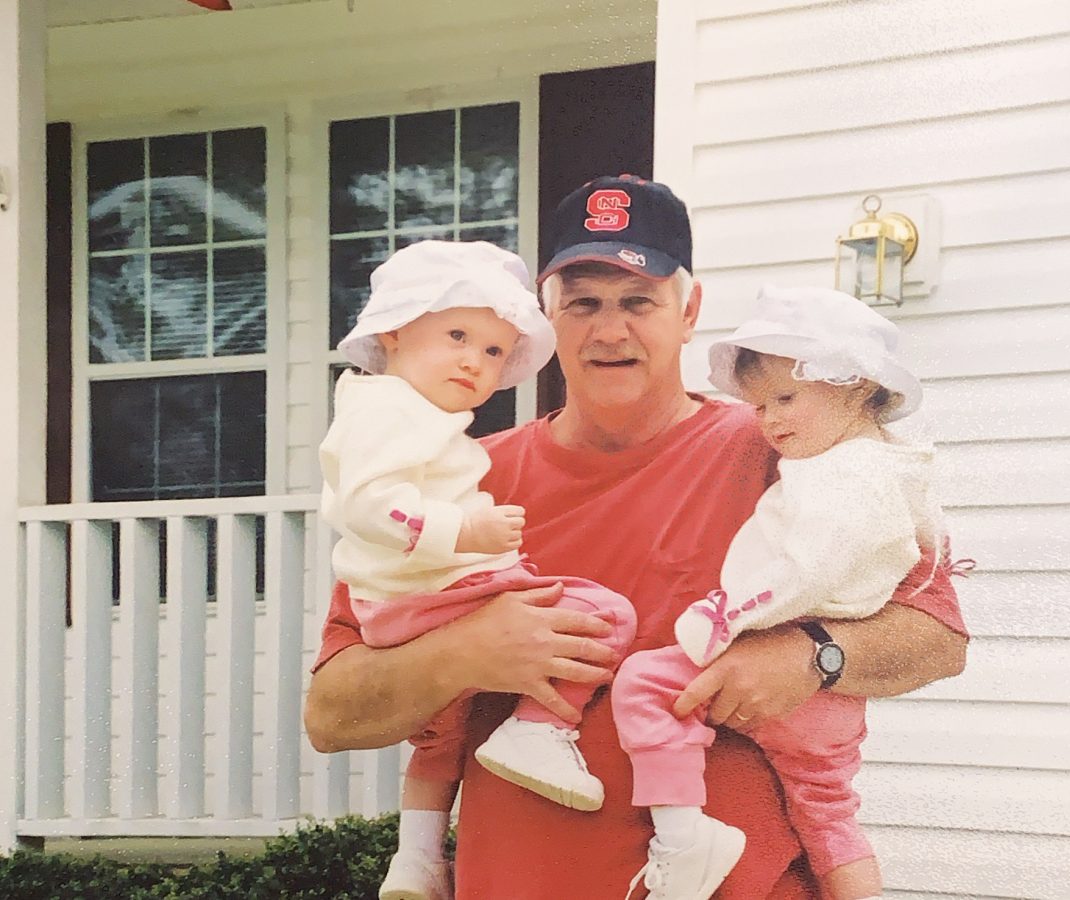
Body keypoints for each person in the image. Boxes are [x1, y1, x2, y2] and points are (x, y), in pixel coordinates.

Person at [304, 175, 969, 899]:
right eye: (583, 302)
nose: (609, 330)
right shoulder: (458, 479)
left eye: (638, 301)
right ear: (547, 317)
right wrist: (466, 652)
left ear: (690, 312)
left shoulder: (792, 450)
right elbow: (333, 714)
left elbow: (937, 638)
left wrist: (814, 656)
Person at [319, 239, 637, 900]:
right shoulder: (388, 410)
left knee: (442, 733)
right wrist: (463, 528)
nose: (474, 359)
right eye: (457, 335)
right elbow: (368, 504)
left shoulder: (411, 416)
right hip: (436, 591)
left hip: (401, 603)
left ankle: (416, 860)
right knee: (601, 613)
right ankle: (538, 731)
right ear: (395, 333)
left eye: (493, 351)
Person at [613, 285, 949, 900]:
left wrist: (728, 616)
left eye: (786, 398)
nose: (768, 421)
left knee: (644, 685)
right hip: (835, 709)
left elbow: (806, 570)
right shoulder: (886, 466)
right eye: (760, 405)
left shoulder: (842, 476)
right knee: (829, 818)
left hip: (792, 663)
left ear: (854, 386)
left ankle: (685, 839)